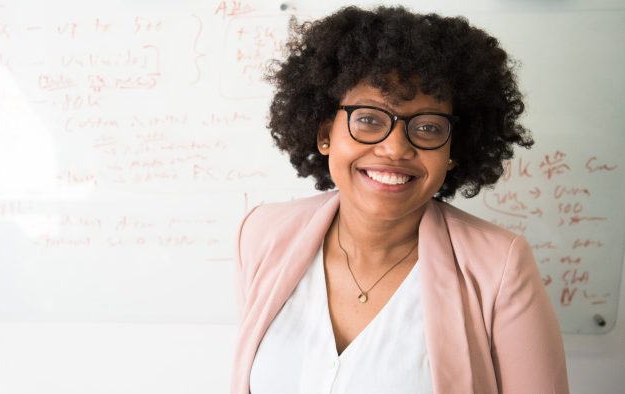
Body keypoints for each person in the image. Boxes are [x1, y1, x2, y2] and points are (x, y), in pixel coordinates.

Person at [232, 5, 568, 394]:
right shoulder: (260, 235)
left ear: (453, 149)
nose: (394, 148)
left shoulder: (499, 266)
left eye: (427, 127)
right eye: (369, 119)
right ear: (325, 132)